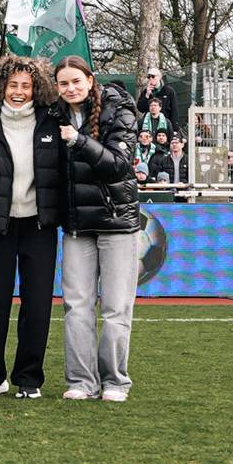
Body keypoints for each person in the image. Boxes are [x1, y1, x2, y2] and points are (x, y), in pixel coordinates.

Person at [0, 55, 66, 400]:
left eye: (26, 85)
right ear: (0, 87)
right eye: (13, 85)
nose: (19, 92)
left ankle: (29, 378)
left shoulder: (51, 122)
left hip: (40, 226)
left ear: (37, 89)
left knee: (37, 304)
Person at [55, 56, 143, 403]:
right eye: (63, 83)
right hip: (76, 226)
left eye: (76, 81)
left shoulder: (120, 110)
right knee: (76, 307)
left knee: (116, 308)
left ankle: (116, 382)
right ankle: (82, 381)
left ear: (90, 80)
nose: (70, 88)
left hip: (117, 222)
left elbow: (119, 166)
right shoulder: (54, 114)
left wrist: (78, 141)